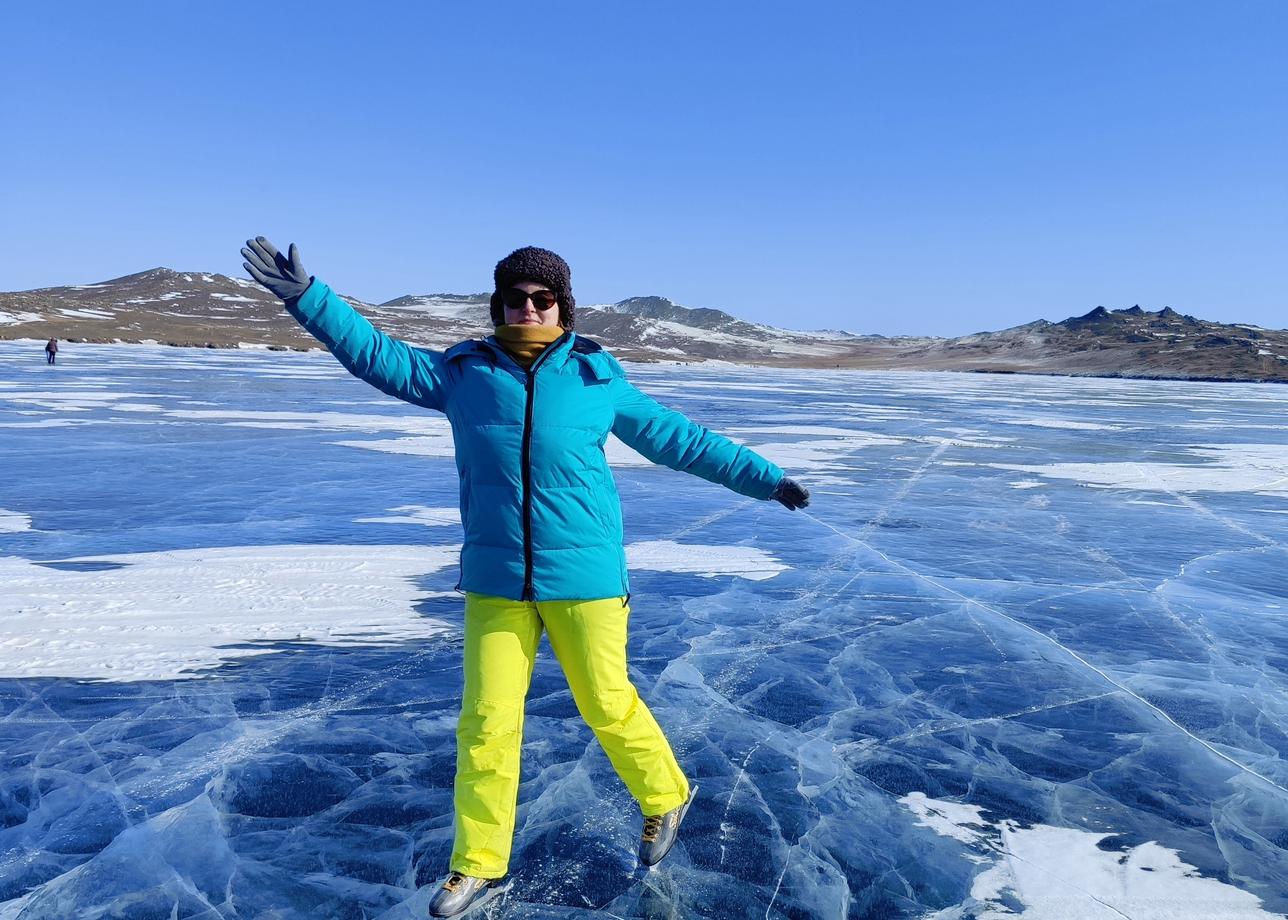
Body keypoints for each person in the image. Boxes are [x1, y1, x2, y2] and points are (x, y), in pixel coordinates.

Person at [241, 237, 810, 918]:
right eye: (516, 297)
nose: (529, 308)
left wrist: (766, 479)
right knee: (485, 722)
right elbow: (376, 353)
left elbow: (681, 440)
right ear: (499, 304)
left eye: (542, 298)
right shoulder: (464, 374)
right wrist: (310, 299)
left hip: (588, 577)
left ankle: (665, 795)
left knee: (606, 701)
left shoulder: (598, 380)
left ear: (563, 307)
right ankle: (476, 864)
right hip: (496, 577)